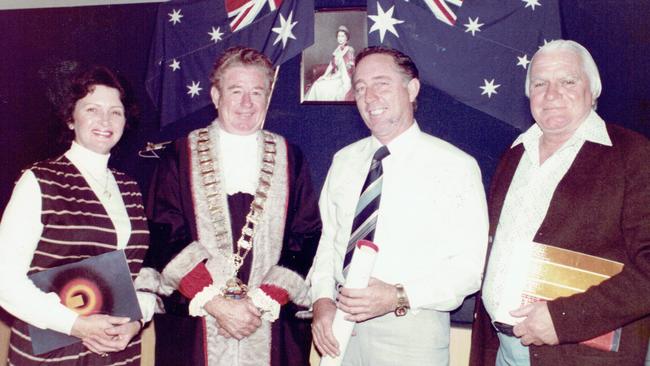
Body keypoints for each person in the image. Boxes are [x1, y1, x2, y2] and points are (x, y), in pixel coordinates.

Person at [470, 39, 650, 366]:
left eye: (567, 81)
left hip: (581, 356)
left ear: (593, 90)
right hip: (503, 350)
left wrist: (564, 318)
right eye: (540, 83)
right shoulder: (515, 154)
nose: (551, 94)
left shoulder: (634, 155)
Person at [138, 46, 321, 366]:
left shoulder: (292, 157)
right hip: (196, 322)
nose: (246, 103)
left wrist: (264, 301)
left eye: (257, 92)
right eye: (236, 91)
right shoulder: (179, 155)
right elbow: (165, 232)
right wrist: (216, 304)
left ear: (268, 97)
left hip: (270, 321)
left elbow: (305, 235)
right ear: (215, 94)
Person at [308, 46, 489, 365]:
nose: (369, 96)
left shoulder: (455, 166)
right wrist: (322, 300)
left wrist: (396, 296)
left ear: (412, 88)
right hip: (339, 332)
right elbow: (327, 243)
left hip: (410, 331)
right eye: (360, 87)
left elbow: (469, 270)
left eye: (381, 83)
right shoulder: (344, 161)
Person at [0, 64, 156, 364]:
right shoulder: (39, 180)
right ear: (71, 118)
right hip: (51, 353)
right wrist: (77, 325)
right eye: (92, 109)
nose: (105, 120)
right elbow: (4, 279)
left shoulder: (130, 188)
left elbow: (141, 271)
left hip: (116, 351)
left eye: (115, 111)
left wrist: (136, 322)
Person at [305, 25, 355, 102]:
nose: (340, 38)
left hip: (345, 79)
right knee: (317, 83)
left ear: (346, 38)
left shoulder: (349, 50)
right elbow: (331, 65)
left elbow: (346, 70)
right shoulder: (337, 50)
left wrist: (331, 77)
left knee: (326, 87)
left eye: (342, 36)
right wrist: (324, 76)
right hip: (337, 76)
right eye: (339, 36)